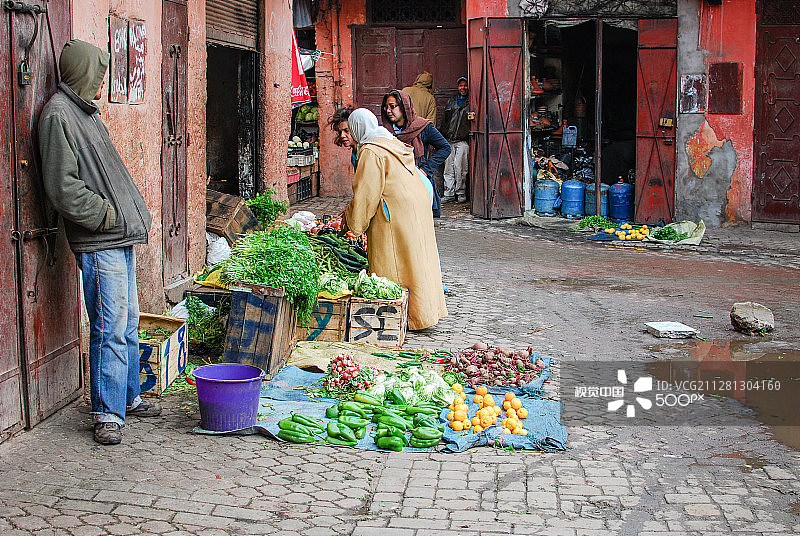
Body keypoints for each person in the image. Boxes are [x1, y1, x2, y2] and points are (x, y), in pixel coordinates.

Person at [38, 39, 158, 446]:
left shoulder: (85, 115)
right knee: (108, 326)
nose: (103, 81)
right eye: (99, 73)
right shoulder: (58, 115)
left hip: (118, 236)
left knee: (126, 323)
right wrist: (106, 214)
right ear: (81, 70)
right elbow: (62, 187)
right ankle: (106, 412)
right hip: (100, 238)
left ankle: (129, 397)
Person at [343, 108, 447, 330]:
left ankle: (406, 317)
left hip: (395, 210)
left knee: (397, 262)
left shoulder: (372, 151)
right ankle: (426, 311)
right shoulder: (391, 142)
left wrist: (354, 222)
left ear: (357, 129)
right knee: (418, 258)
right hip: (416, 204)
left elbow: (366, 193)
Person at [381, 89, 450, 217]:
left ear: (404, 106)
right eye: (386, 107)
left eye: (392, 106)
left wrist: (426, 169)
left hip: (418, 182)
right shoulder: (386, 131)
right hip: (396, 185)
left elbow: (445, 148)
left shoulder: (422, 127)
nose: (388, 111)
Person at [440, 76, 471, 203]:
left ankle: (461, 192)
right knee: (448, 167)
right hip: (449, 139)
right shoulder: (452, 101)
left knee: (460, 167)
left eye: (465, 85)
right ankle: (449, 194)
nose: (462, 88)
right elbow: (445, 120)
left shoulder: (470, 101)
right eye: (460, 85)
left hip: (462, 140)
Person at [328, 104, 357, 170]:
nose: (342, 136)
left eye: (346, 130)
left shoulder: (366, 152)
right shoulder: (354, 153)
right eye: (340, 132)